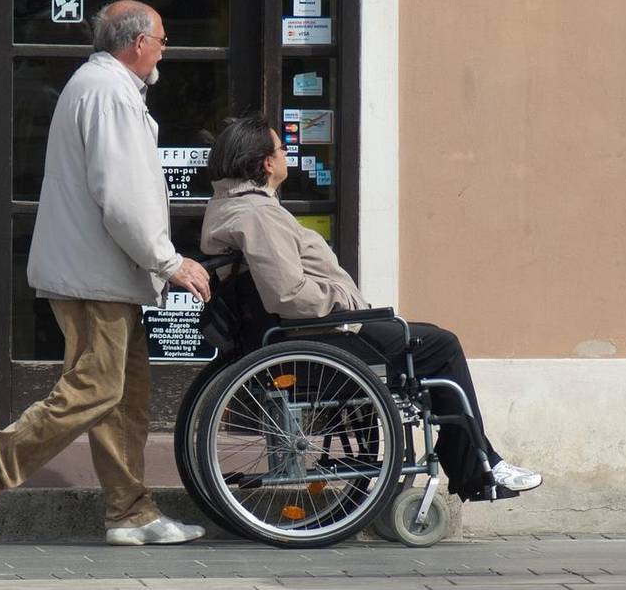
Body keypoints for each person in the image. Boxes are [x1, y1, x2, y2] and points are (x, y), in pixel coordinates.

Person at [0, 0, 212, 546]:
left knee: (124, 395)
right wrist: (169, 260)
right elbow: (122, 197)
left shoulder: (102, 87)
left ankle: (130, 513)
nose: (165, 49)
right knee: (97, 388)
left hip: (100, 272)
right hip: (95, 275)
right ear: (137, 43)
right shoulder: (110, 93)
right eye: (162, 40)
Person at [199, 115, 542, 501]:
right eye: (281, 148)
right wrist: (344, 302)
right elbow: (288, 295)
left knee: (425, 340)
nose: (285, 155)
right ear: (265, 162)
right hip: (317, 336)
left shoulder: (231, 207)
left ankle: (472, 456)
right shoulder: (258, 215)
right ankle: (477, 462)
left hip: (304, 335)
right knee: (440, 346)